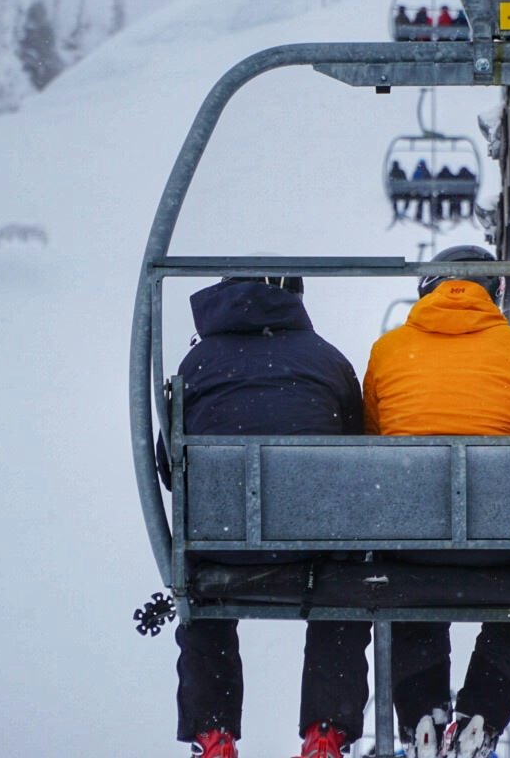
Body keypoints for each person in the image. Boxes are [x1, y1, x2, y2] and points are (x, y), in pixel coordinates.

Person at [364, 245, 510, 758]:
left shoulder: (388, 352)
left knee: (408, 596)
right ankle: (482, 717)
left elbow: (371, 442)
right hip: (506, 548)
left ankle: (422, 719)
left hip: (413, 547)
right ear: (495, 293)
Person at [159, 275, 370, 758]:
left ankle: (213, 733)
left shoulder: (194, 365)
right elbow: (359, 456)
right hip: (316, 548)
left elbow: (170, 465)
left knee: (203, 603)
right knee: (344, 598)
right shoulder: (327, 359)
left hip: (222, 546)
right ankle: (326, 729)